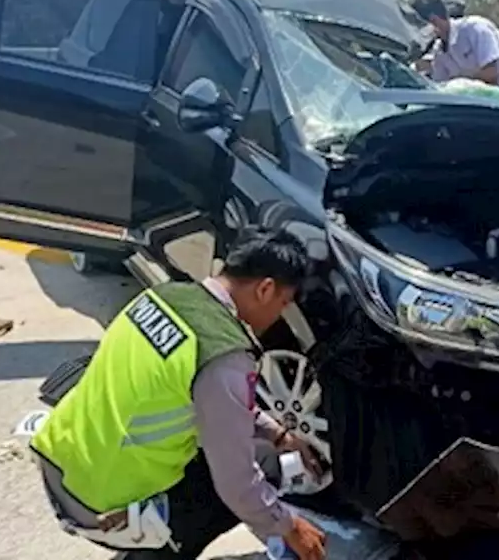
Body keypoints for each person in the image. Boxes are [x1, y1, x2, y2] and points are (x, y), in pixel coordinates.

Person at [31, 228, 328, 560]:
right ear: (265, 289)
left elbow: (219, 406)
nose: (279, 315)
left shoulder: (164, 296)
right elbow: (238, 485)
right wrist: (289, 526)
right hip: (99, 502)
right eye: (283, 303)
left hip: (61, 462)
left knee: (258, 450)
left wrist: (278, 434)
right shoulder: (224, 357)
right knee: (261, 470)